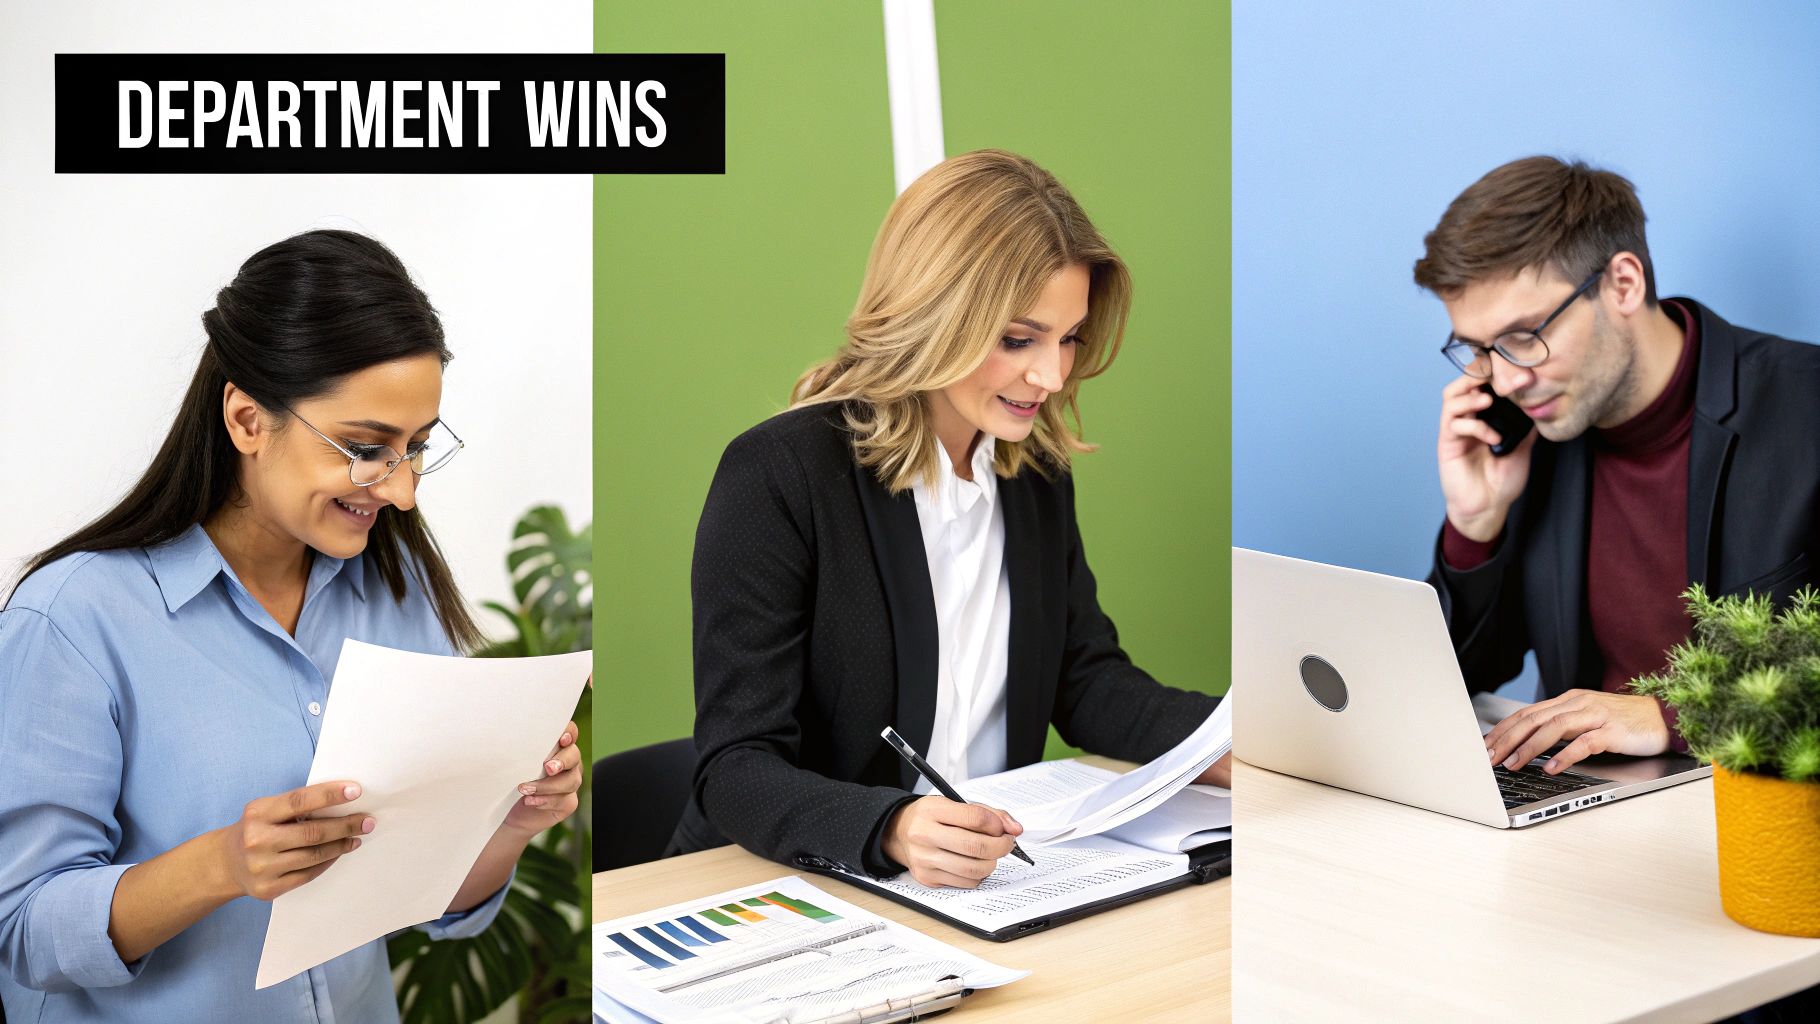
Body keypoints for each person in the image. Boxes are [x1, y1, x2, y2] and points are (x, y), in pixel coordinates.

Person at [0, 230, 583, 1022]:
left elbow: (432, 900)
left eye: (416, 448)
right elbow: (23, 932)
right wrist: (223, 865)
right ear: (247, 420)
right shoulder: (73, 621)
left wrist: (506, 824)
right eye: (367, 447)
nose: (402, 492)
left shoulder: (399, 590)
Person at [670, 149, 1228, 890]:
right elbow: (736, 767)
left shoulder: (1034, 474)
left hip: (987, 886)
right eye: (1018, 339)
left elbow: (1084, 680)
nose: (1052, 375)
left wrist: (1226, 739)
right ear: (933, 317)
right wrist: (891, 826)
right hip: (796, 885)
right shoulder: (778, 474)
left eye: (1068, 337)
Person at [1419, 156, 1820, 778]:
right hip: (1585, 801)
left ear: (1624, 285)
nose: (1506, 380)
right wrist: (1475, 526)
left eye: (1523, 337)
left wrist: (1673, 714)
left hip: (1764, 804)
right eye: (1479, 349)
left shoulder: (1806, 406)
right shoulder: (1534, 437)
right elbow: (1455, 679)